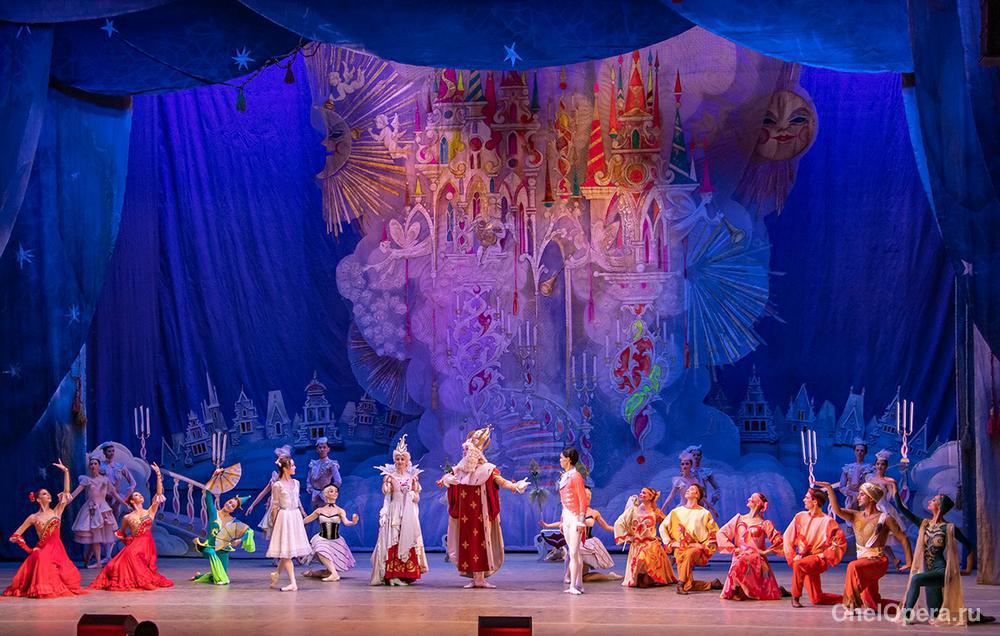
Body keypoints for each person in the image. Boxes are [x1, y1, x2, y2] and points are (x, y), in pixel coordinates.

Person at [438, 425, 529, 589]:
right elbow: (445, 479)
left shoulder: (488, 469)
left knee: (481, 543)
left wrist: (516, 486)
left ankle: (480, 578)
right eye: (467, 447)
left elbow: (501, 481)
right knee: (467, 543)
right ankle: (474, 578)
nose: (467, 451)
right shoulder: (461, 470)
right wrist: (447, 480)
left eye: (472, 446)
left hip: (481, 514)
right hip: (466, 516)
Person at [816, 480, 911, 614]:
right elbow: (837, 510)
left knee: (852, 566)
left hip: (877, 561)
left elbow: (903, 538)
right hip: (863, 561)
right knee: (873, 604)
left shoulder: (885, 518)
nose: (858, 498)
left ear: (871, 498)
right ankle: (906, 608)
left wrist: (909, 561)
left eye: (862, 494)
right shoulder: (855, 515)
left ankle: (850, 605)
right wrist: (829, 489)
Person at [893, 490, 983, 625]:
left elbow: (969, 546)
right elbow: (901, 508)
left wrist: (968, 570)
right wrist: (894, 487)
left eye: (934, 500)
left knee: (916, 579)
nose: (930, 501)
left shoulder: (949, 528)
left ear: (940, 506)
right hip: (930, 572)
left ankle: (906, 615)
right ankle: (976, 617)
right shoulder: (924, 524)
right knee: (936, 616)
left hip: (941, 572)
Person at [4, 459, 84, 598]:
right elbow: (15, 536)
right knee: (42, 560)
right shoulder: (33, 517)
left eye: (48, 493)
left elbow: (66, 492)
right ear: (38, 499)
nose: (48, 495)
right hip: (43, 549)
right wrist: (29, 550)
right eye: (45, 494)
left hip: (57, 549)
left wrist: (66, 471)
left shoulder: (56, 511)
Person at [90, 463, 173, 591]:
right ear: (132, 501)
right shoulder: (127, 517)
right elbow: (121, 533)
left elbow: (159, 494)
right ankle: (134, 579)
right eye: (136, 495)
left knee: (134, 559)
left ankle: (139, 578)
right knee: (123, 560)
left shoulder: (150, 511)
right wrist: (128, 541)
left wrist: (158, 474)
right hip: (135, 544)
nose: (140, 495)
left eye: (140, 495)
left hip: (147, 544)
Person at [371, 435, 428, 585]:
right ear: (394, 460)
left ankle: (404, 574)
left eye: (402, 459)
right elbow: (386, 496)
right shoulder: (389, 477)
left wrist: (411, 494)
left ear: (407, 461)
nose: (400, 461)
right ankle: (392, 576)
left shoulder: (412, 477)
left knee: (407, 539)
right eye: (397, 459)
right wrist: (384, 512)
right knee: (393, 540)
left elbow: (417, 498)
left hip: (408, 512)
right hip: (395, 511)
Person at [782, 486, 847, 608]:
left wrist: (824, 554)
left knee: (799, 565)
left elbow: (839, 541)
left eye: (806, 498)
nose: (804, 500)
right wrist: (793, 555)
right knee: (816, 598)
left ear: (815, 501)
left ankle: (795, 596)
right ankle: (848, 598)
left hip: (817, 559)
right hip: (804, 558)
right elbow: (787, 536)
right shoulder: (800, 516)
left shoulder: (827, 521)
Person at [540, 487, 620, 582]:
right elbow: (563, 522)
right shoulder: (573, 511)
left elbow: (607, 527)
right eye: (586, 495)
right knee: (581, 573)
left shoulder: (594, 513)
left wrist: (621, 530)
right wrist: (548, 525)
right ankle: (568, 576)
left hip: (589, 543)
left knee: (582, 573)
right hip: (577, 541)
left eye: (590, 495)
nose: (588, 497)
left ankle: (610, 577)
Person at [716, 492, 784, 601]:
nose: (748, 499)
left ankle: (741, 591)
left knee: (742, 561)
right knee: (739, 561)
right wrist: (734, 549)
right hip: (740, 554)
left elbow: (779, 540)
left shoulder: (764, 523)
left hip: (756, 557)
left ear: (759, 503)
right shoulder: (739, 519)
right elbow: (721, 533)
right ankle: (738, 589)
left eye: (752, 498)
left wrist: (765, 552)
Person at [191, 475, 255, 585]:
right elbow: (208, 493)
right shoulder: (213, 512)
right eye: (229, 502)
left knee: (220, 573)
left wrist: (240, 540)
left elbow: (250, 531)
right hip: (209, 547)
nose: (229, 505)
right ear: (226, 501)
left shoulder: (233, 521)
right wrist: (214, 476)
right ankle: (220, 579)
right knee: (219, 572)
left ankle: (199, 576)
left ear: (233, 510)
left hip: (223, 550)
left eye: (232, 506)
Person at [660, 483, 723, 594]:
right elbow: (662, 527)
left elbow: (714, 533)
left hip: (696, 549)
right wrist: (670, 543)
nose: (688, 490)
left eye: (692, 489)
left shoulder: (704, 513)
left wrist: (702, 545)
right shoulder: (676, 512)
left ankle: (680, 584)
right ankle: (712, 584)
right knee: (688, 585)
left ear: (697, 495)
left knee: (690, 553)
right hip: (680, 548)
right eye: (688, 489)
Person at [613, 487, 676, 588]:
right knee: (641, 559)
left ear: (650, 497)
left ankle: (646, 578)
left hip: (651, 543)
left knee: (645, 571)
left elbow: (667, 524)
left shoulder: (655, 512)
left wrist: (669, 538)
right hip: (637, 543)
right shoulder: (633, 510)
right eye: (641, 492)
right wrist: (628, 537)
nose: (641, 494)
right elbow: (619, 523)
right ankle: (638, 578)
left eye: (644, 493)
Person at [70, 456, 126, 568]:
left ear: (99, 466)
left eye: (95, 463)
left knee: (97, 537)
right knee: (95, 537)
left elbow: (115, 494)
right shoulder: (86, 480)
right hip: (91, 509)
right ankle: (96, 561)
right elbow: (75, 493)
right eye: (91, 464)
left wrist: (126, 504)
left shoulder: (105, 480)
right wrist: (65, 501)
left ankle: (94, 561)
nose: (93, 465)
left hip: (103, 509)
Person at [266, 456, 311, 591]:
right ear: (285, 468)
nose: (295, 467)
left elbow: (297, 500)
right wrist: (274, 525)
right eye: (292, 465)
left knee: (287, 552)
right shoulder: (277, 485)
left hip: (295, 516)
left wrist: (302, 513)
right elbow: (274, 506)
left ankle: (276, 574)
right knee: (286, 552)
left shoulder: (296, 483)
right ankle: (293, 583)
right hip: (284, 517)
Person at [303, 484, 358, 581]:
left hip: (335, 540)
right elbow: (304, 521)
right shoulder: (319, 510)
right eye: (331, 491)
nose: (335, 493)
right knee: (320, 548)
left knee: (328, 571)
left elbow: (346, 522)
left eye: (336, 491)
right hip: (322, 538)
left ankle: (315, 573)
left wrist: (353, 522)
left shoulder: (340, 511)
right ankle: (334, 574)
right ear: (326, 494)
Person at [865, 449, 907, 569]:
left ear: (886, 466)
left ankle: (883, 562)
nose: (880, 466)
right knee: (876, 538)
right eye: (878, 464)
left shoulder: (888, 481)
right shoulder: (869, 478)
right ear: (875, 465)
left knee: (881, 537)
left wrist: (903, 507)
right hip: (872, 509)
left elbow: (894, 496)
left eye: (882, 464)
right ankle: (892, 560)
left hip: (883, 509)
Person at [557, 447, 587, 594]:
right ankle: (579, 584)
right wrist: (562, 520)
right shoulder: (565, 476)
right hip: (567, 516)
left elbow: (582, 499)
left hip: (576, 517)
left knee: (573, 552)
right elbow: (563, 502)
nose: (560, 460)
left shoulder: (576, 476)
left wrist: (581, 521)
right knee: (574, 552)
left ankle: (573, 586)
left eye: (562, 458)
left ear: (568, 460)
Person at [246, 445, 292, 538]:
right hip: (273, 509)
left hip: (283, 509)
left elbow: (293, 497)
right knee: (274, 534)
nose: (278, 461)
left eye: (280, 459)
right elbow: (264, 492)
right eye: (278, 459)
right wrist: (252, 505)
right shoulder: (274, 476)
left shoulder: (288, 480)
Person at [663, 451, 718, 518]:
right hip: (683, 510)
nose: (684, 466)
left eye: (687, 464)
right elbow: (670, 496)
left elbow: (702, 497)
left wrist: (712, 509)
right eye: (682, 464)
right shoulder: (678, 481)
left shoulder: (695, 480)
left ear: (691, 465)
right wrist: (662, 509)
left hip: (694, 510)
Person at [685, 445, 722, 516]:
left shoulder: (706, 472)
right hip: (689, 503)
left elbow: (717, 489)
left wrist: (711, 503)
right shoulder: (687, 472)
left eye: (698, 455)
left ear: (701, 456)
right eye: (694, 455)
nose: (696, 457)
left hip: (702, 503)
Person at [838, 439, 874, 510]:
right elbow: (842, 486)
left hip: (864, 499)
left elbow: (871, 485)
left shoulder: (869, 468)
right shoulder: (848, 468)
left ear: (865, 452)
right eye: (857, 450)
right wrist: (852, 493)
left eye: (862, 451)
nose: (859, 452)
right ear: (854, 451)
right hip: (851, 499)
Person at [306, 437, 342, 509]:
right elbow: (309, 479)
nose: (322, 449)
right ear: (317, 449)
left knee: (326, 515)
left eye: (324, 447)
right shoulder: (313, 464)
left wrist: (329, 491)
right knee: (315, 514)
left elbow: (338, 481)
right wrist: (311, 488)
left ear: (328, 449)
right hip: (315, 496)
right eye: (320, 447)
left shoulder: (331, 464)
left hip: (325, 497)